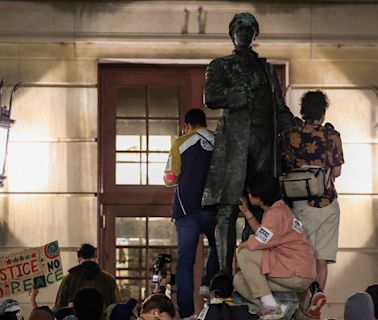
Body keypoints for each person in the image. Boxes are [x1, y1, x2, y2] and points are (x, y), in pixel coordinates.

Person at [201, 12, 295, 273]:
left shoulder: (267, 69)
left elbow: (279, 107)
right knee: (228, 208)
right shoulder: (221, 65)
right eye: (239, 28)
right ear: (232, 33)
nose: (244, 33)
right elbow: (211, 97)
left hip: (265, 147)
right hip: (234, 146)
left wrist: (297, 126)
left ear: (256, 35)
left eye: (249, 29)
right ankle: (223, 273)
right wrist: (240, 94)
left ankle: (256, 267)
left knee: (264, 208)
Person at [283, 90, 344, 294]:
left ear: (302, 111)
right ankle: (317, 299)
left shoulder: (291, 136)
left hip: (300, 203)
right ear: (323, 112)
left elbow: (285, 165)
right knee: (321, 259)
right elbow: (337, 171)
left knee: (303, 255)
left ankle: (302, 301)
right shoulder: (332, 136)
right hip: (327, 203)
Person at [234, 173, 316, 320]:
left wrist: (243, 245)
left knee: (245, 254)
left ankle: (272, 307)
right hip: (294, 272)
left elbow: (260, 241)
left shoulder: (276, 214)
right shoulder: (279, 210)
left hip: (294, 271)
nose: (248, 195)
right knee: (239, 281)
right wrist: (247, 212)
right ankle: (281, 309)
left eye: (250, 192)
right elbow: (264, 234)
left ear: (258, 197)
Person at [164, 108, 219, 319]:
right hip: (213, 207)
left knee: (186, 260)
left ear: (186, 125)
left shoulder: (181, 143)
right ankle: (209, 284)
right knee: (218, 247)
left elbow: (170, 178)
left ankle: (187, 312)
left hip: (186, 209)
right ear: (205, 123)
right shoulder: (219, 141)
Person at [54, 243, 121, 309]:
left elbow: (59, 306)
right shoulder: (108, 279)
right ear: (96, 258)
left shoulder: (69, 278)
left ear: (79, 258)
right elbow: (115, 305)